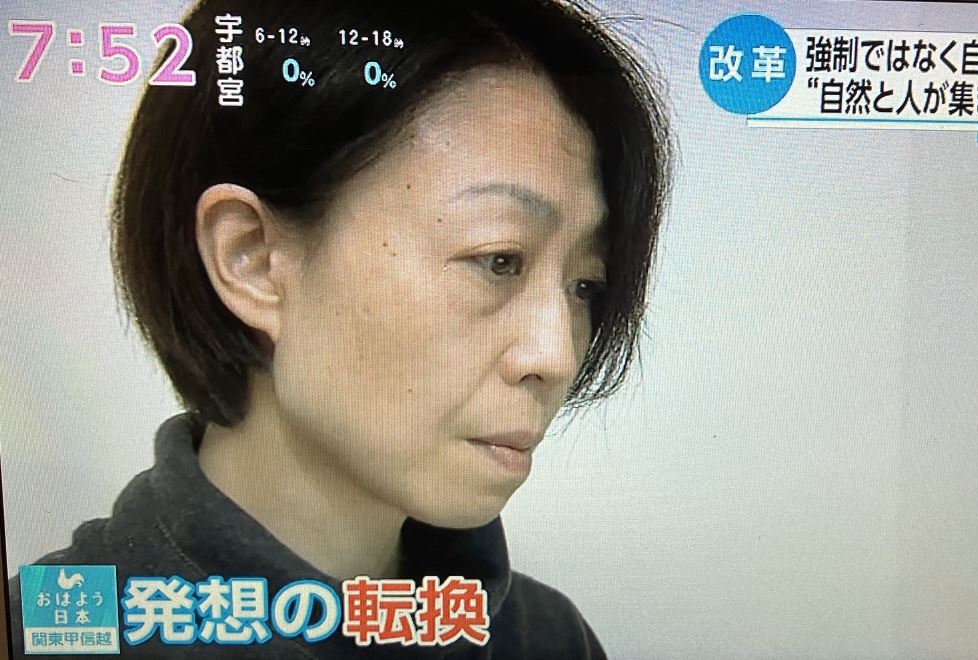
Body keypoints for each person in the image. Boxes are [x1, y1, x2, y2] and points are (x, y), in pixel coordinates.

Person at [5, 0, 670, 657]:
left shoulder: (547, 638)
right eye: (499, 260)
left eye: (585, 285)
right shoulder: (47, 635)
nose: (557, 355)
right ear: (252, 258)